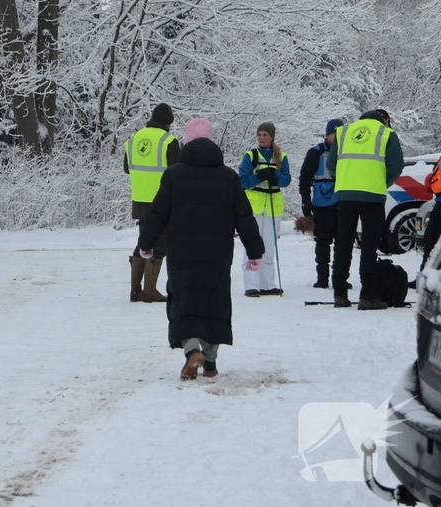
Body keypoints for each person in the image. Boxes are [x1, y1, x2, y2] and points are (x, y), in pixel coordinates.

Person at [138, 118, 264, 380]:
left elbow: (158, 213)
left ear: (187, 142)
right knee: (213, 299)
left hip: (182, 250)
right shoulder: (228, 176)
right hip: (217, 251)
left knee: (184, 297)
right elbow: (244, 216)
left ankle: (191, 349)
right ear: (211, 142)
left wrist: (146, 243)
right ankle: (210, 362)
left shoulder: (173, 174)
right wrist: (255, 251)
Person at [327, 109, 403, 310]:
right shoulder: (386, 133)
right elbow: (397, 165)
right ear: (385, 120)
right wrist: (381, 182)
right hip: (372, 195)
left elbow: (330, 163)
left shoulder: (343, 132)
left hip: (345, 194)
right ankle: (367, 295)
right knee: (369, 245)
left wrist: (345, 177)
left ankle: (339, 294)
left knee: (343, 242)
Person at [123, 102, 180, 303]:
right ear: (169, 123)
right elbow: (177, 173)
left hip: (139, 200)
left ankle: (135, 290)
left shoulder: (134, 138)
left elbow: (127, 168)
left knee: (143, 241)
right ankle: (150, 290)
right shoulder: (169, 141)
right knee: (160, 242)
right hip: (161, 201)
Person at [237, 121, 291, 296]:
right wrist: (259, 176)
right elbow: (243, 181)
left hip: (273, 206)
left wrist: (275, 175)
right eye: (259, 135)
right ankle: (251, 284)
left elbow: (286, 180)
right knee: (252, 244)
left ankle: (268, 283)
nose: (261, 138)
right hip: (254, 206)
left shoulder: (281, 157)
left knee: (269, 245)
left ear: (271, 137)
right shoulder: (251, 155)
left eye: (265, 135)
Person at [298, 119, 344, 289]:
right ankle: (322, 278)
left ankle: (340, 278)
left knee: (342, 242)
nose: (338, 137)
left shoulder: (347, 152)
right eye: (334, 133)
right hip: (321, 203)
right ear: (327, 134)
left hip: (342, 202)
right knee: (323, 242)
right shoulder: (315, 152)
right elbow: (304, 178)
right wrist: (306, 202)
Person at [421, 148, 441, 271]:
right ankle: (425, 276)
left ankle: (427, 276)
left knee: (432, 241)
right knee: (431, 241)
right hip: (440, 202)